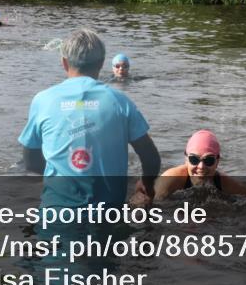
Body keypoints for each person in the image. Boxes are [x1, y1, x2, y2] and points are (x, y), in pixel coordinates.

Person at [18, 28, 161, 209]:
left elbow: (31, 161)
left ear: (64, 62)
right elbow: (151, 157)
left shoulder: (43, 100)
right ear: (101, 63)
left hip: (57, 215)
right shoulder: (121, 102)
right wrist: (146, 185)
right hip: (109, 217)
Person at [154, 130, 246, 200]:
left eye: (208, 160)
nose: (201, 167)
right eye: (194, 159)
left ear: (217, 161)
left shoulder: (228, 185)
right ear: (186, 159)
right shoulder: (169, 180)